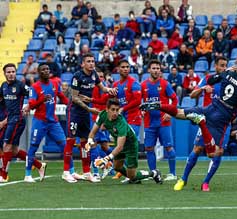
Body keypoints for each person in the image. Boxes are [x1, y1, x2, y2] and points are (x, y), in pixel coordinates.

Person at [140, 57, 237, 191]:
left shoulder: (227, 75)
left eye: (225, 65)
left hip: (210, 111)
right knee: (210, 152)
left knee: (181, 113)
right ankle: (185, 179)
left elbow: (229, 89)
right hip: (219, 118)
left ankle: (203, 182)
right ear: (217, 66)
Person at [62, 53, 117, 183]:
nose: (92, 63)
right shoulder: (77, 76)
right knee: (70, 140)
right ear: (83, 64)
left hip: (85, 113)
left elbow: (102, 88)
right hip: (74, 111)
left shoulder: (94, 75)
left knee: (85, 141)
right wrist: (89, 109)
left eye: (93, 61)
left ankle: (87, 172)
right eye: (88, 61)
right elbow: (74, 98)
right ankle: (66, 172)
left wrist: (110, 90)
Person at [87, 98, 163, 184]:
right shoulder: (102, 115)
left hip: (130, 145)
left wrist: (106, 159)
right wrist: (89, 141)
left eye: (117, 110)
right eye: (113, 110)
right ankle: (134, 178)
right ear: (107, 109)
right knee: (117, 167)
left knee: (132, 176)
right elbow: (93, 132)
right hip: (119, 143)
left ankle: (154, 173)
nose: (115, 112)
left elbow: (120, 147)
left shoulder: (121, 122)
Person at [0, 63, 46, 183]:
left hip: (17, 120)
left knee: (6, 146)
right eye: (8, 72)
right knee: (14, 150)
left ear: (16, 73)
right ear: (4, 74)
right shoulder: (4, 86)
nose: (11, 74)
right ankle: (39, 165)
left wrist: (29, 107)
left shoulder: (20, 85)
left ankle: (3, 175)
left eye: (13, 72)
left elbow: (33, 95)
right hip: (10, 120)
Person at [24, 63, 69, 182]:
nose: (46, 71)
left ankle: (70, 172)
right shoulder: (35, 87)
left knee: (65, 146)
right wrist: (41, 100)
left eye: (48, 69)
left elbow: (62, 96)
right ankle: (28, 175)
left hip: (53, 122)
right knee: (33, 147)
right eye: (43, 69)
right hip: (40, 121)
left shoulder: (55, 83)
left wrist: (70, 105)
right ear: (39, 72)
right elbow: (32, 105)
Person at [141, 60, 178, 181]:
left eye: (158, 68)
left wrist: (170, 112)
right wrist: (140, 111)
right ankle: (153, 173)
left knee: (169, 147)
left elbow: (175, 99)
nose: (156, 70)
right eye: (154, 68)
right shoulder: (143, 85)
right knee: (149, 148)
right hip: (149, 123)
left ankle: (172, 174)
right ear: (149, 70)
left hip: (164, 122)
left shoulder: (165, 84)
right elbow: (138, 102)